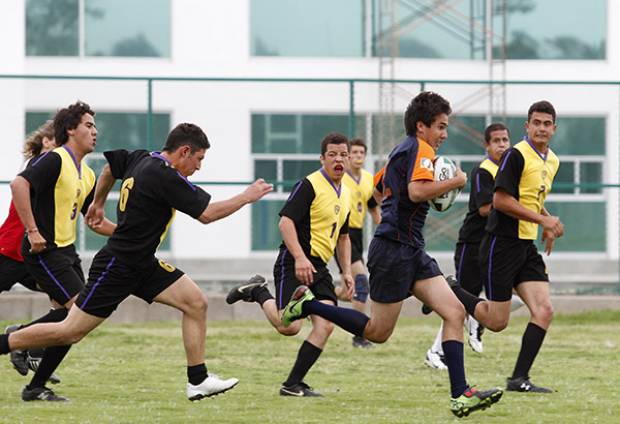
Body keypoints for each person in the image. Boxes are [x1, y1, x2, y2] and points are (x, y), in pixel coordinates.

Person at [0, 122, 273, 402]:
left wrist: (97, 202)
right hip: (117, 265)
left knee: (195, 302)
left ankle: (198, 380)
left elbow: (110, 168)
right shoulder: (166, 176)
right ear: (185, 151)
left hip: (142, 263)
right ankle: (5, 344)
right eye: (199, 159)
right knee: (69, 331)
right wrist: (245, 197)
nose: (199, 167)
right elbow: (207, 214)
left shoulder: (143, 157)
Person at [277, 92, 503, 417]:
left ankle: (461, 394)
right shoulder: (420, 149)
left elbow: (381, 188)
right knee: (377, 332)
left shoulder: (403, 151)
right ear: (422, 126)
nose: (444, 134)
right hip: (394, 249)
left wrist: (400, 206)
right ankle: (307, 304)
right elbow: (416, 191)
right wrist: (454, 182)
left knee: (454, 313)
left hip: (410, 248)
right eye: (440, 127)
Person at [447, 100, 563, 393]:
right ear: (527, 126)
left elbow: (531, 197)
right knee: (497, 322)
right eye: (536, 122)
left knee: (544, 310)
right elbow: (500, 201)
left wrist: (546, 222)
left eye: (547, 124)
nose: (541, 128)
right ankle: (451, 289)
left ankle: (518, 379)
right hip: (501, 243)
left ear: (554, 128)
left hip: (525, 246)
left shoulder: (552, 160)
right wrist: (542, 220)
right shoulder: (516, 155)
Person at [226, 132, 354, 397]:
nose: (338, 159)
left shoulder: (349, 191)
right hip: (294, 261)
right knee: (289, 327)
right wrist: (299, 258)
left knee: (326, 324)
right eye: (332, 155)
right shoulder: (310, 184)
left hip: (320, 267)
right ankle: (257, 291)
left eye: (343, 154)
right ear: (322, 158)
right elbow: (285, 222)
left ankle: (292, 384)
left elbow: (343, 236)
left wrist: (347, 271)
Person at [5, 102, 116, 402]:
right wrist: (32, 230)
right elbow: (18, 184)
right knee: (79, 314)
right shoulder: (55, 160)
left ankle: (35, 384)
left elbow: (94, 220)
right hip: (44, 251)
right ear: (70, 130)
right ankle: (12, 344)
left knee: (72, 322)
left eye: (95, 126)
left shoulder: (88, 174)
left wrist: (128, 234)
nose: (95, 131)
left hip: (66, 253)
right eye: (89, 125)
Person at [425, 122, 513, 369]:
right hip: (472, 245)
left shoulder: (510, 171)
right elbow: (486, 209)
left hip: (495, 245)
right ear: (487, 146)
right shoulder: (483, 171)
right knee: (459, 301)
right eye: (496, 141)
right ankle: (435, 351)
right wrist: (514, 204)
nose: (502, 145)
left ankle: (477, 323)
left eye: (505, 140)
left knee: (499, 295)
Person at [1, 120, 62, 383]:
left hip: (35, 255)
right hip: (11, 251)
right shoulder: (40, 166)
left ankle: (27, 341)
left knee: (68, 304)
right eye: (57, 141)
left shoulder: (60, 169)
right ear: (46, 142)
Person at [333, 138, 380, 348]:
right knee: (361, 283)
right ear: (348, 155)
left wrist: (385, 229)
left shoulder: (369, 179)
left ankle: (313, 298)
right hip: (342, 235)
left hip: (358, 235)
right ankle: (359, 336)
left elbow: (372, 207)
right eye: (355, 152)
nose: (358, 156)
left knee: (346, 292)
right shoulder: (340, 177)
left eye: (362, 152)